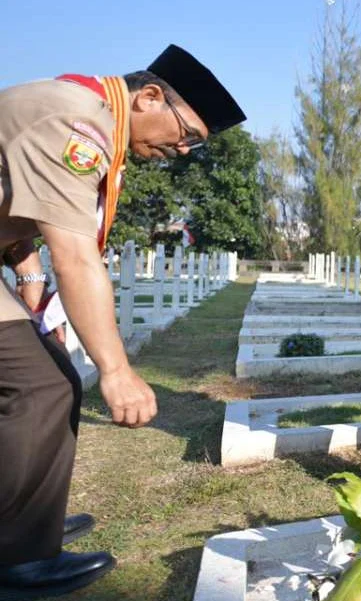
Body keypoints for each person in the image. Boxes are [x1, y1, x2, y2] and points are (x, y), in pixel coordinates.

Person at [0, 45, 245, 598]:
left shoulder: (83, 110)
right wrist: (115, 370)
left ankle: (23, 524)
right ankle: (16, 556)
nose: (181, 151)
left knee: (49, 378)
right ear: (150, 97)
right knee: (40, 386)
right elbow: (75, 254)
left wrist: (29, 287)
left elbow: (13, 205)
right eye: (187, 135)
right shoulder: (77, 121)